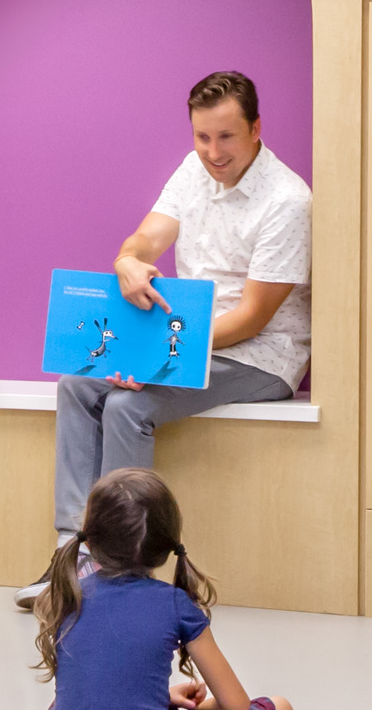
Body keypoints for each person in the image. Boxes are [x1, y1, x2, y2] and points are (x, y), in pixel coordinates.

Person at [25, 69, 311, 604]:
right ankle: (71, 553)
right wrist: (127, 260)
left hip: (261, 358)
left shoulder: (288, 201)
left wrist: (154, 355)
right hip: (182, 342)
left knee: (126, 407)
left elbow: (252, 319)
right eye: (202, 137)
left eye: (226, 136)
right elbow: (147, 236)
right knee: (75, 385)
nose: (213, 151)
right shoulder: (193, 170)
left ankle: (120, 570)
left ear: (255, 129)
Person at [33, 469, 298, 710]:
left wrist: (165, 699)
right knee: (280, 709)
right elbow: (237, 706)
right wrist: (201, 707)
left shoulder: (64, 593)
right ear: (166, 544)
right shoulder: (175, 603)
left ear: (90, 536)